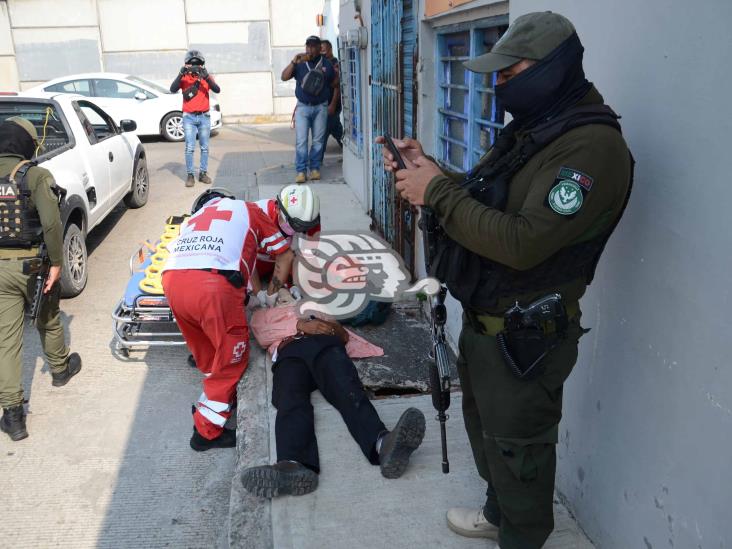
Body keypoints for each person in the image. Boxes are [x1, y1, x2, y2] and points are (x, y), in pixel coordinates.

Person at [379, 12, 633, 549]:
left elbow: (523, 242)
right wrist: (428, 170)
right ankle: (499, 516)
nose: (498, 84)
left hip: (527, 337)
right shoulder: (538, 129)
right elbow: (479, 194)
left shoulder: (591, 148)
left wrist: (436, 193)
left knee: (520, 452)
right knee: (486, 434)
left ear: (553, 68)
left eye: (508, 71)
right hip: (487, 323)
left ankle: (522, 535)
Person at [241, 306, 426, 497]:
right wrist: (300, 324)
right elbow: (262, 335)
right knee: (290, 398)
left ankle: (383, 445)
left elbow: (343, 336)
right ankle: (292, 465)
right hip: (290, 352)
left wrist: (331, 328)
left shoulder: (314, 307)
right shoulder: (264, 313)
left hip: (324, 347)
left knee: (348, 389)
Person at [161, 188, 295, 451]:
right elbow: (284, 253)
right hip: (212, 285)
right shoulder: (249, 210)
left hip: (174, 281)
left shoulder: (195, 218)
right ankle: (206, 432)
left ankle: (216, 399)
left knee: (210, 351)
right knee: (233, 358)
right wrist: (269, 296)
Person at [0, 117, 82, 442]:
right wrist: (58, 264)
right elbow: (51, 224)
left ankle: (13, 416)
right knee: (48, 319)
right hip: (34, 264)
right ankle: (60, 370)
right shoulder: (34, 175)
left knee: (7, 341)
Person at [281, 36, 338, 184]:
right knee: (301, 140)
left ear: (320, 48)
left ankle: (315, 169)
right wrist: (294, 61)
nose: (310, 49)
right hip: (303, 107)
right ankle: (300, 171)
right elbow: (284, 77)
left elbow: (335, 83)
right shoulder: (300, 63)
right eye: (308, 46)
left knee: (318, 141)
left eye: (314, 46)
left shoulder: (325, 63)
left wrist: (335, 73)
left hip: (320, 107)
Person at [170, 50, 221, 188]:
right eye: (192, 65)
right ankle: (190, 175)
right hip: (189, 117)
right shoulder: (184, 77)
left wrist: (206, 76)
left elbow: (217, 89)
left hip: (204, 116)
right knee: (190, 147)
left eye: (198, 64)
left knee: (204, 148)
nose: (195, 67)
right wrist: (181, 73)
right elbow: (172, 89)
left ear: (202, 65)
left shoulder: (206, 77)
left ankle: (203, 173)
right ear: (186, 65)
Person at [252, 184, 321, 286]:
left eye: (304, 227)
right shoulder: (256, 214)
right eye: (296, 226)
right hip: (258, 259)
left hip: (289, 259)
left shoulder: (311, 221)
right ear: (277, 209)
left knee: (312, 279)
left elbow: (306, 256)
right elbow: (243, 257)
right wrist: (258, 293)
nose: (299, 231)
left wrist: (295, 286)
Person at [318, 39, 343, 163]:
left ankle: (317, 161)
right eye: (320, 49)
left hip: (332, 105)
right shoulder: (323, 63)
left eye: (323, 49)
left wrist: (333, 104)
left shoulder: (334, 64)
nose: (321, 51)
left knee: (323, 132)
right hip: (325, 105)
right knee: (336, 130)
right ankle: (349, 153)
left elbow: (337, 86)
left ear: (330, 50)